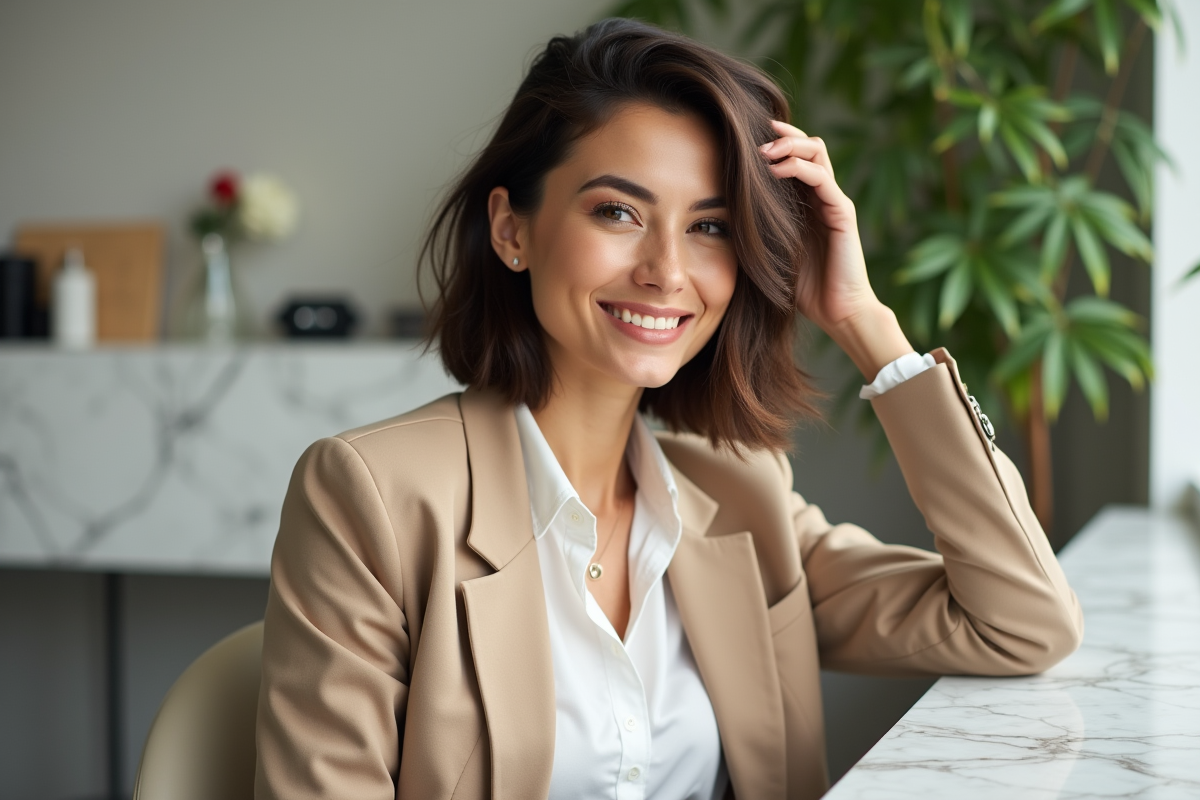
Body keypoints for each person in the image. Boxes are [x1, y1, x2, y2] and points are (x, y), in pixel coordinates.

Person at [254, 18, 1082, 800]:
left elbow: (1019, 623)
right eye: (618, 212)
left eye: (712, 227)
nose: (666, 270)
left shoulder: (742, 498)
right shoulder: (374, 496)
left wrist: (865, 323)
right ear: (512, 229)